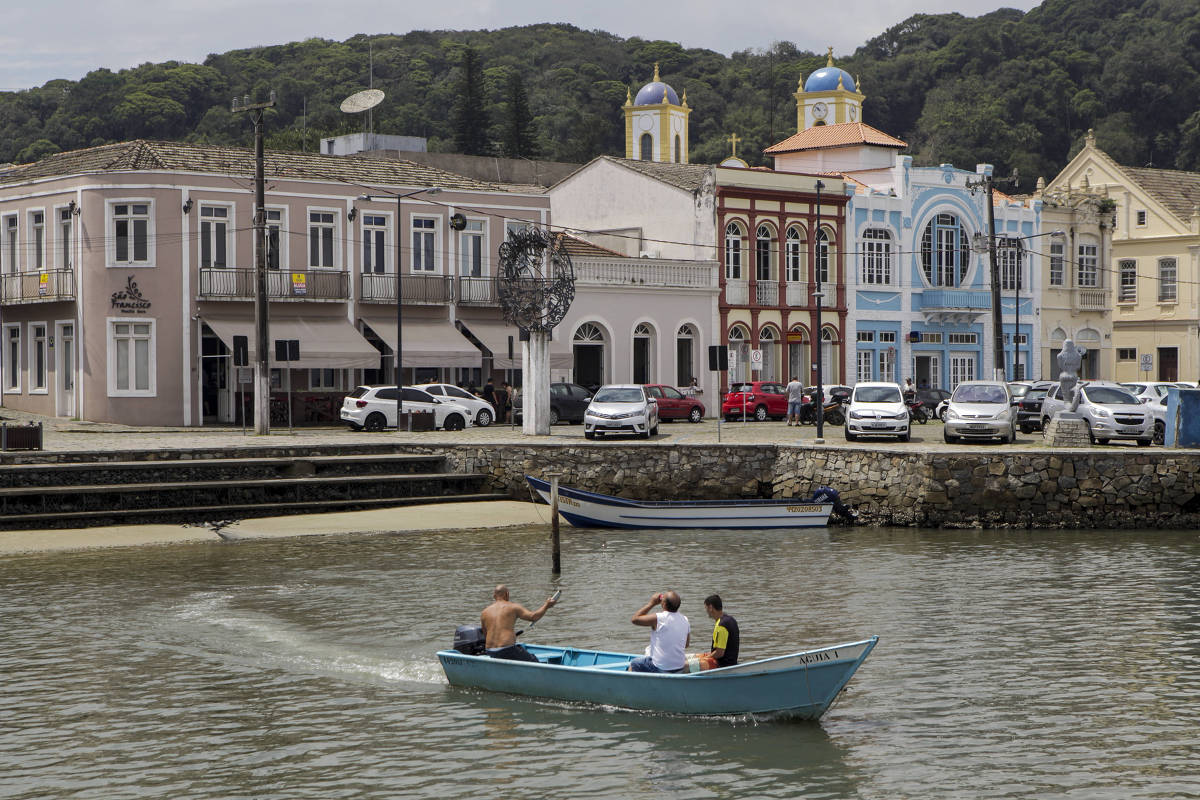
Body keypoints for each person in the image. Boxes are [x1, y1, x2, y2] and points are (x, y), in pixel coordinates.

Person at [480, 584, 558, 662]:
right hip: (507, 650)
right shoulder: (513, 607)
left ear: (494, 596)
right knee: (534, 661)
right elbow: (533, 617)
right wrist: (546, 606)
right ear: (507, 594)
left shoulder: (484, 612)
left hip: (490, 651)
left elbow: (485, 634)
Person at [628, 590, 690, 673]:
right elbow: (686, 644)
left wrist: (651, 603)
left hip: (661, 667)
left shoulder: (659, 618)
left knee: (635, 664)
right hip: (679, 666)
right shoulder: (685, 620)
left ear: (663, 604)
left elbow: (634, 619)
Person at [701, 594, 740, 668]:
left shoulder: (721, 626)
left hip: (722, 664)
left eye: (706, 608)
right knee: (697, 657)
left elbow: (720, 653)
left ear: (710, 608)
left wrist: (706, 659)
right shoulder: (730, 619)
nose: (706, 611)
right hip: (731, 661)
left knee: (688, 665)